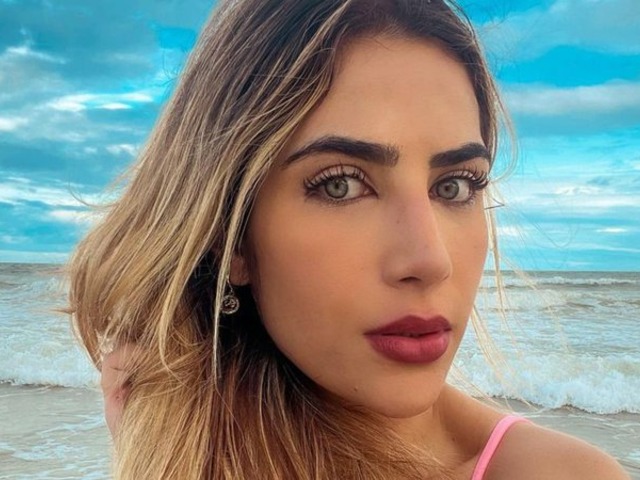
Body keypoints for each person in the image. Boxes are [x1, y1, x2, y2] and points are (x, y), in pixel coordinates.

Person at [67, 0, 630, 479]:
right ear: (228, 236)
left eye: (455, 185)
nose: (429, 259)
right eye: (341, 184)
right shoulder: (186, 445)